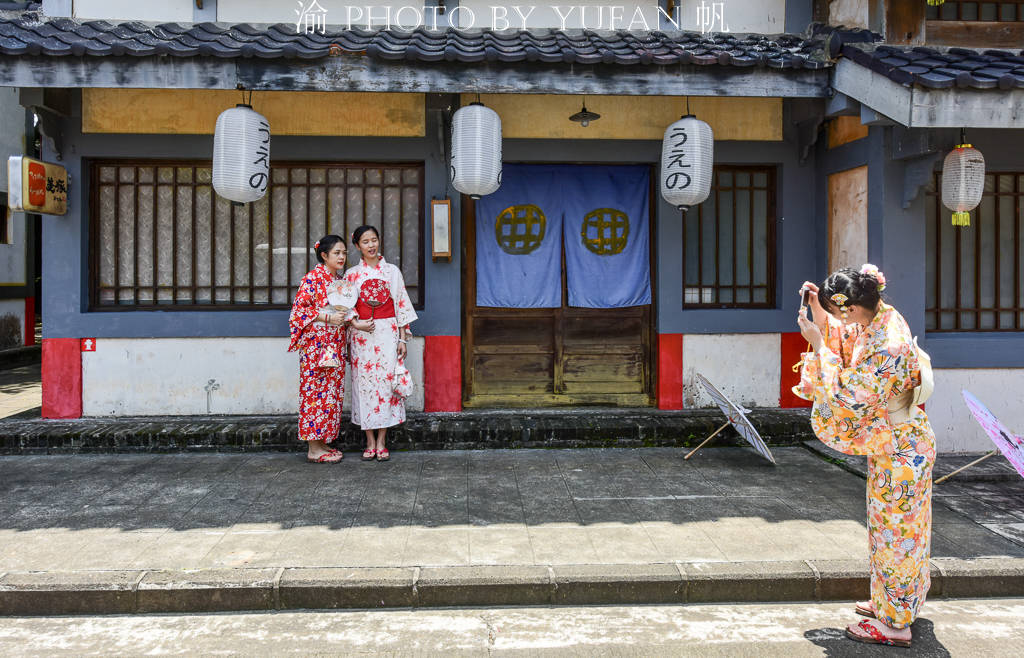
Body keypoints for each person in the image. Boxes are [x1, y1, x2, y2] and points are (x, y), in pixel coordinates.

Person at [794, 264, 935, 648]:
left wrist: (819, 344)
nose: (841, 321)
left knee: (898, 535)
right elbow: (848, 332)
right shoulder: (882, 315)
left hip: (902, 448)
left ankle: (896, 624)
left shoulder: (888, 344)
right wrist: (823, 312)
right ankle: (893, 604)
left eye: (840, 311)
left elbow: (848, 396)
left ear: (853, 307)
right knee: (889, 531)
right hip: (896, 444)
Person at [287, 235, 373, 463]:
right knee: (316, 392)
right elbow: (297, 313)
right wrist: (327, 317)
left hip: (334, 343)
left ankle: (322, 443)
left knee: (331, 394)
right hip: (316, 345)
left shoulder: (340, 281)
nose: (342, 257)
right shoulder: (312, 279)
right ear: (324, 255)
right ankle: (313, 449)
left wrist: (352, 322)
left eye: (344, 253)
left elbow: (346, 310)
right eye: (337, 253)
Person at [344, 225, 418, 462]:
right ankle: (369, 440)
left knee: (387, 385)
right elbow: (344, 308)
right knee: (363, 386)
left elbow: (401, 305)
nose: (371, 245)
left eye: (374, 240)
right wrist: (356, 324)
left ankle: (382, 440)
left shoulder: (392, 272)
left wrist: (402, 338)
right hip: (362, 336)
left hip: (387, 333)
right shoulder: (352, 275)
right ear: (357, 246)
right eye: (365, 242)